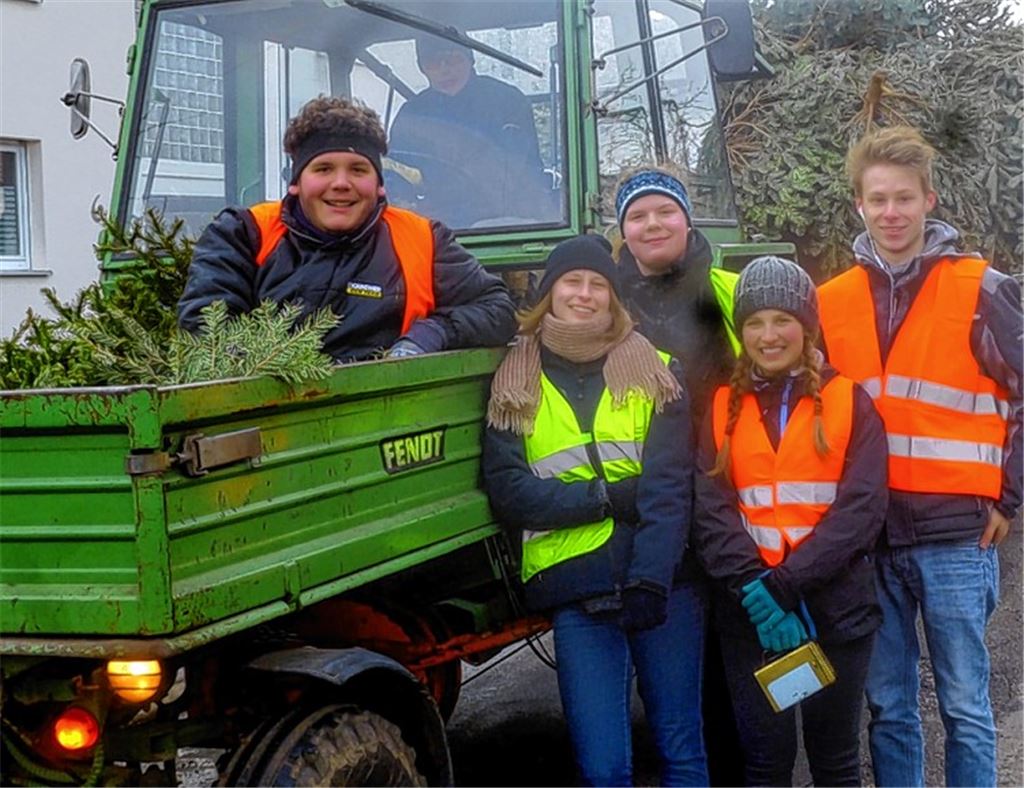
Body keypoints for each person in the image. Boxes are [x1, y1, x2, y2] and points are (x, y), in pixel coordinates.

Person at [818, 125, 1022, 787]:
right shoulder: (830, 302)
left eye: (904, 198)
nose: (891, 212)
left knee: (964, 704)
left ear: (929, 200)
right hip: (870, 536)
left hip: (956, 534)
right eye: (878, 199)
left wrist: (1008, 497)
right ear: (859, 205)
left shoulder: (981, 288)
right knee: (888, 707)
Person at [483, 235, 708, 786]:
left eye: (597, 285)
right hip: (576, 588)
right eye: (572, 281)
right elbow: (510, 491)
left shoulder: (658, 370)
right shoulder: (513, 383)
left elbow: (669, 486)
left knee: (680, 746)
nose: (584, 294)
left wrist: (651, 580)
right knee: (602, 768)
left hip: (663, 586)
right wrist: (603, 498)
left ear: (613, 297)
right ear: (549, 291)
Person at [693, 255, 889, 786]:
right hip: (751, 617)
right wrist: (757, 592)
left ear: (807, 327)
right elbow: (711, 512)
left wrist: (783, 586)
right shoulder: (720, 408)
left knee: (835, 761)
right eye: (754, 322)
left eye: (783, 320)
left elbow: (862, 509)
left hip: (835, 611)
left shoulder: (850, 400)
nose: (768, 335)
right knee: (766, 764)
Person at [177, 96, 516, 363]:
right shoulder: (244, 234)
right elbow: (208, 330)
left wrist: (432, 333)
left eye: (358, 169)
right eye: (323, 168)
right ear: (296, 182)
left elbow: (497, 309)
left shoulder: (423, 240)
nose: (341, 183)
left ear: (379, 185)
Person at [612, 164, 744, 785]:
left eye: (665, 210)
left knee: (733, 659)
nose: (653, 224)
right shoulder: (608, 305)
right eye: (637, 215)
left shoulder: (728, 292)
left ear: (688, 219)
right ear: (623, 232)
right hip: (656, 505)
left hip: (730, 496)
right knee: (675, 670)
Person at [387, 35, 554, 228]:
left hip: (506, 221)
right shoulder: (411, 115)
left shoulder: (507, 102)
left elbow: (527, 171)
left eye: (453, 59)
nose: (444, 69)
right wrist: (410, 206)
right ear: (422, 67)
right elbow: (396, 175)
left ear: (470, 59)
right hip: (441, 225)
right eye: (433, 62)